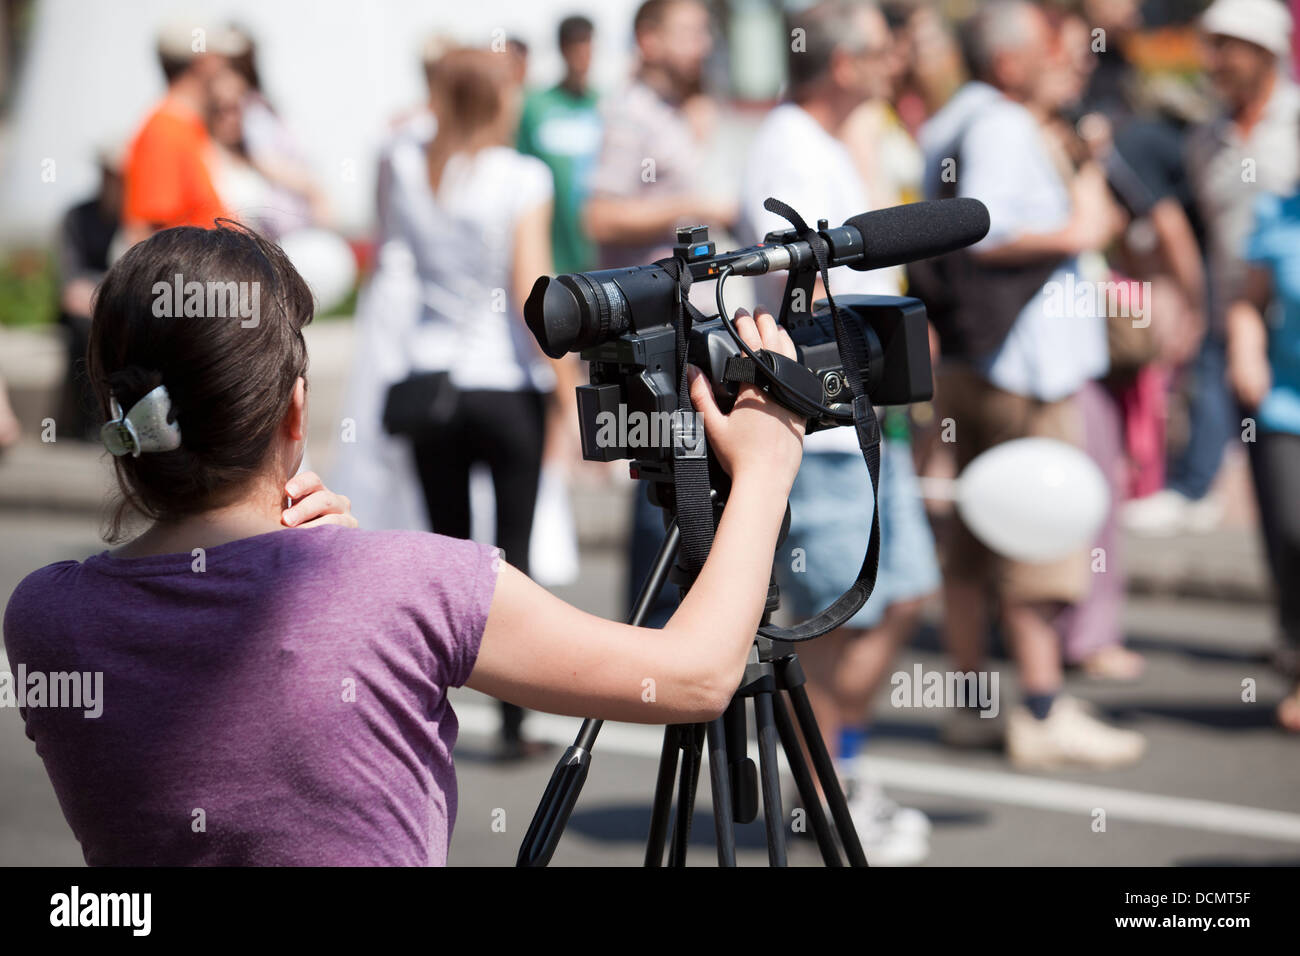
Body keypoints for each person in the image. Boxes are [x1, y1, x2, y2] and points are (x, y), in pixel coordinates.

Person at [1, 222, 805, 865]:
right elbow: (696, 677)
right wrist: (766, 467)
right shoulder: (417, 585)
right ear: (295, 411)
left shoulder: (44, 617)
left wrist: (340, 575)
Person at [918, 0, 1144, 769]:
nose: (1063, 57)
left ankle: (971, 708)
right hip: (1024, 368)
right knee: (1038, 538)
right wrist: (1081, 230)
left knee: (974, 549)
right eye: (1049, 45)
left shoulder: (954, 118)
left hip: (974, 362)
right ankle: (1042, 713)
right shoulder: (1001, 126)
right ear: (1009, 60)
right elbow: (987, 230)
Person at [740, 1, 940, 865]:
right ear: (843, 64)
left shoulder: (829, 140)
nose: (898, 56)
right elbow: (797, 289)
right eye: (879, 46)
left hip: (857, 416)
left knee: (901, 595)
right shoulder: (788, 143)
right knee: (835, 625)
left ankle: (835, 772)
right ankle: (822, 801)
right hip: (822, 432)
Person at [375, 48, 576, 761]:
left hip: (429, 383)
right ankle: (518, 720)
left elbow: (392, 264)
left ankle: (430, 706)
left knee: (445, 555)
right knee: (510, 557)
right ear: (495, 98)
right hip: (502, 384)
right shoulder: (522, 176)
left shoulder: (407, 166)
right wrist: (566, 377)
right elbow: (533, 288)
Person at [584, 0, 737, 628]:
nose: (701, 44)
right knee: (667, 490)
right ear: (647, 39)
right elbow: (599, 215)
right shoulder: (631, 112)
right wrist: (690, 203)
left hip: (679, 328)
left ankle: (671, 642)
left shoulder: (676, 109)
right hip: (652, 337)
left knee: (686, 487)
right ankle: (657, 646)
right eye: (688, 32)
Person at [1125, 0, 1300, 534]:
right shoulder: (1206, 138)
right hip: (1233, 305)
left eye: (1226, 48)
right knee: (1273, 482)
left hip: (1291, 312)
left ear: (1264, 50)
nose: (1213, 61)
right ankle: (1196, 489)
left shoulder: (1295, 122)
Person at [1227, 188, 1300, 732]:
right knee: (1292, 535)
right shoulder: (1278, 216)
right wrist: (1246, 350)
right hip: (1285, 406)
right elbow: (1249, 300)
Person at [121, 22, 245, 242]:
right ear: (203, 64)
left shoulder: (188, 126)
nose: (227, 68)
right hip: (190, 275)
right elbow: (147, 236)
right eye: (222, 60)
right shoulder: (164, 131)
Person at [516, 15, 602, 275]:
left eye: (587, 45)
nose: (583, 55)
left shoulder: (607, 105)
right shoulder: (534, 107)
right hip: (553, 255)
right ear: (563, 49)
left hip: (600, 254)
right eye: (575, 46)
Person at [55, 141, 124, 442]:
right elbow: (70, 284)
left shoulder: (138, 220)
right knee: (84, 330)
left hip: (114, 306)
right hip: (85, 309)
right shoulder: (77, 217)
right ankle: (88, 422)